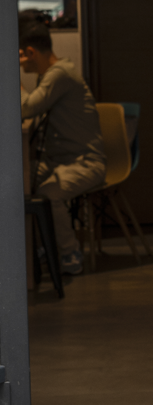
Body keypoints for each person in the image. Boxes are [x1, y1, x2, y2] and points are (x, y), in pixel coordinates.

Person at [19, 19, 106, 275]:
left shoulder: (60, 74)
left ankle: (69, 253)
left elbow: (27, 107)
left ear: (30, 52)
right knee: (22, 180)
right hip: (60, 160)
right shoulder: (51, 75)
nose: (21, 61)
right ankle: (44, 246)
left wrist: (13, 79)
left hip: (85, 161)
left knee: (48, 195)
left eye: (21, 55)